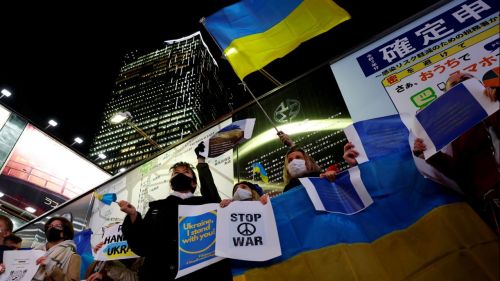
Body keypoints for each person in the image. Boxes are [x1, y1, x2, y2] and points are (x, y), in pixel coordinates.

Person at [119, 145, 232, 281]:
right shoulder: (156, 209)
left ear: (194, 183)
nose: (180, 175)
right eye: (176, 173)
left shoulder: (206, 204)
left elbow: (211, 195)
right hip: (161, 274)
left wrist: (201, 162)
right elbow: (142, 247)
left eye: (185, 172)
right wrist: (133, 216)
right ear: (171, 183)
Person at [413, 71, 499, 234]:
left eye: (465, 79)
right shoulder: (455, 133)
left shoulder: (497, 100)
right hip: (491, 193)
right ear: (448, 97)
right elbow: (457, 172)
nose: (460, 82)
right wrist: (428, 154)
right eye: (454, 84)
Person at [33, 216, 81, 281]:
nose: (52, 228)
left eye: (57, 226)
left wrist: (51, 266)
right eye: (50, 226)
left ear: (64, 233)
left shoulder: (73, 257)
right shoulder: (35, 251)